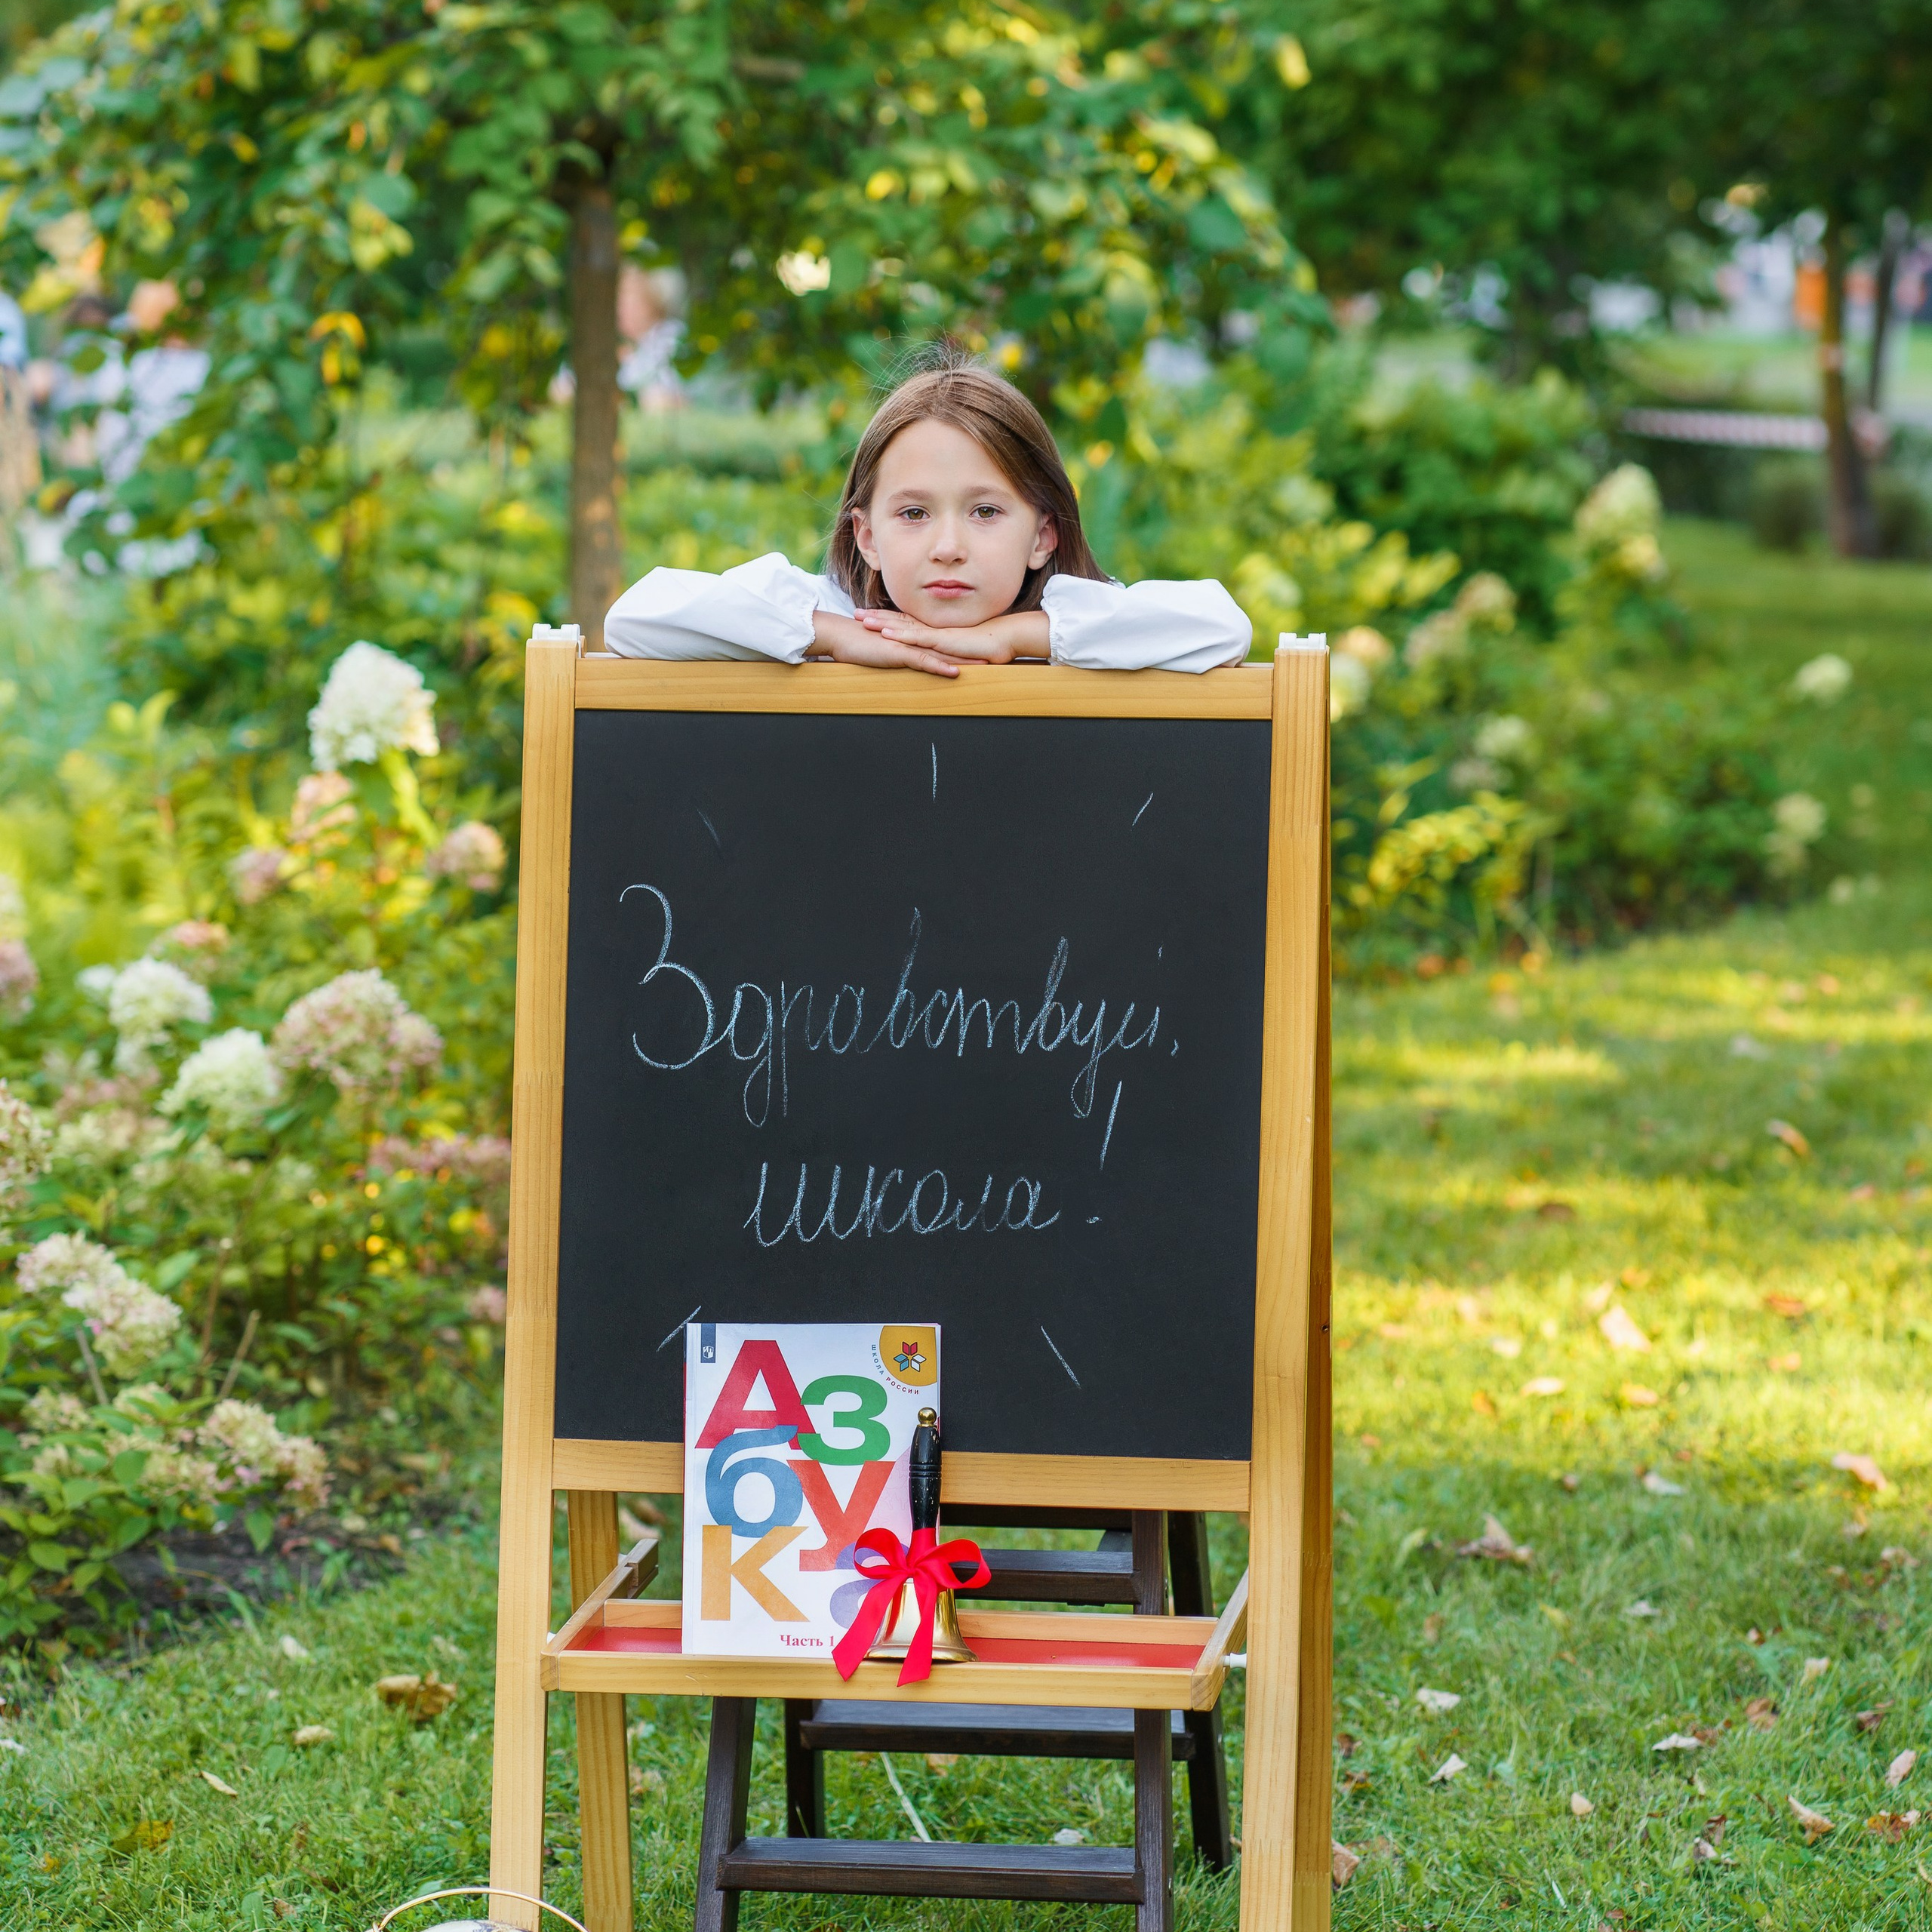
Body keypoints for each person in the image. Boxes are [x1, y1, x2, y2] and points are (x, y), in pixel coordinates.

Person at [603, 353, 1251, 675]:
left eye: (987, 512)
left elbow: (1223, 628)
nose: (949, 546)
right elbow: (633, 621)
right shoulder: (830, 612)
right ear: (867, 535)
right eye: (913, 513)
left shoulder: (1087, 628)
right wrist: (832, 636)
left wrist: (1013, 638)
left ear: (1043, 535)